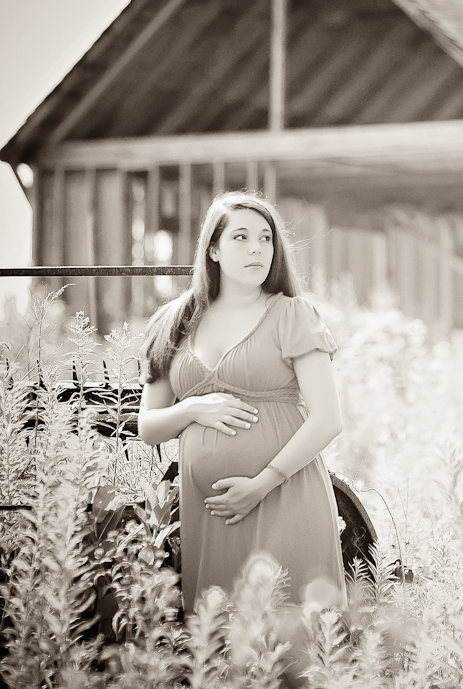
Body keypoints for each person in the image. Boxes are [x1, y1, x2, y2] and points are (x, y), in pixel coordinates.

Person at [137, 191, 347, 644]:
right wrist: (192, 407)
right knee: (221, 649)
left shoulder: (292, 314)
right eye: (241, 237)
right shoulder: (175, 321)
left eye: (266, 238)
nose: (257, 248)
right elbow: (148, 427)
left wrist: (262, 484)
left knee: (293, 643)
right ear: (212, 249)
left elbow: (328, 418)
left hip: (285, 497)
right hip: (213, 517)